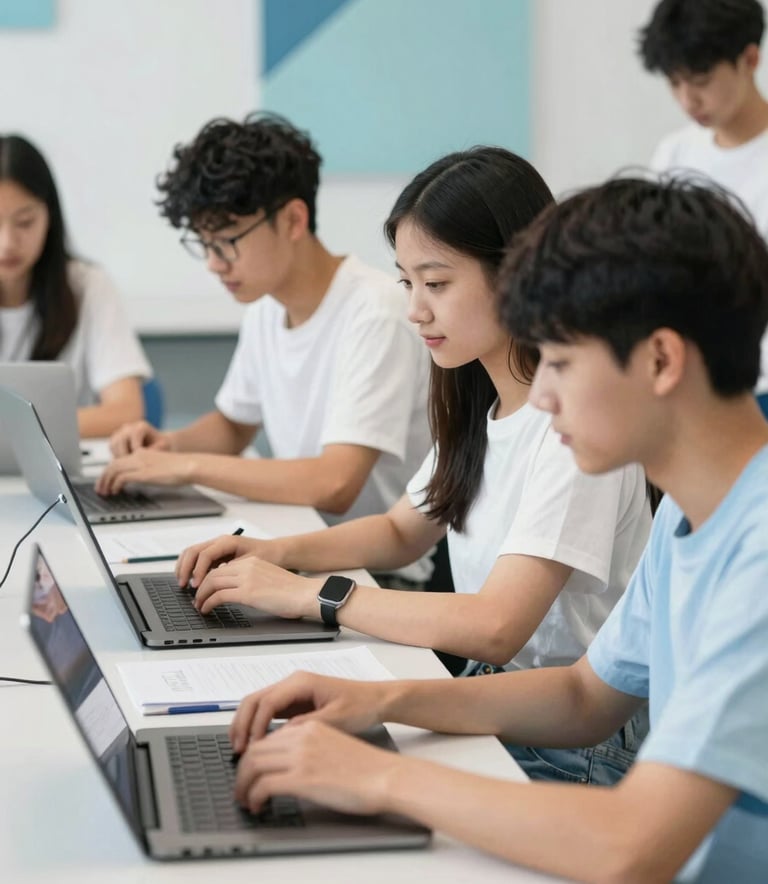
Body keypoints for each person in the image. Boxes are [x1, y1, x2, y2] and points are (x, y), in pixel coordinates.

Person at [217, 176, 768, 883]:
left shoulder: (756, 552)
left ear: (661, 359)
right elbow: (584, 698)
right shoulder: (696, 515)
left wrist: (379, 779)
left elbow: (630, 847)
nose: (540, 393)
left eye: (562, 362)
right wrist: (379, 702)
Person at [176, 147, 653, 785]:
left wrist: (310, 594)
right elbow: (403, 531)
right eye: (407, 282)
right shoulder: (481, 401)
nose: (415, 310)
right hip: (497, 701)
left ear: (516, 274)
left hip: (575, 745)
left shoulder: (576, 429)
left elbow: (495, 626)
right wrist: (273, 551)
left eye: (436, 283)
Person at [98, 113, 432, 582]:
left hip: (375, 573)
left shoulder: (377, 310)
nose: (214, 263)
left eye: (228, 240)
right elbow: (234, 424)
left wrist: (183, 464)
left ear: (294, 219)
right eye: (204, 243)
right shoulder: (265, 305)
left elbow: (334, 484)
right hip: (298, 546)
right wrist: (166, 444)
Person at [639, 0, 768, 407]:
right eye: (674, 83)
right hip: (689, 379)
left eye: (700, 79)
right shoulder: (674, 154)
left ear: (750, 58)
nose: (687, 99)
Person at [0, 134, 150, 437]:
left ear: (50, 218)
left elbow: (126, 410)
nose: (7, 243)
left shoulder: (88, 286)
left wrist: (18, 433)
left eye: (25, 222)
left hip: (60, 475)